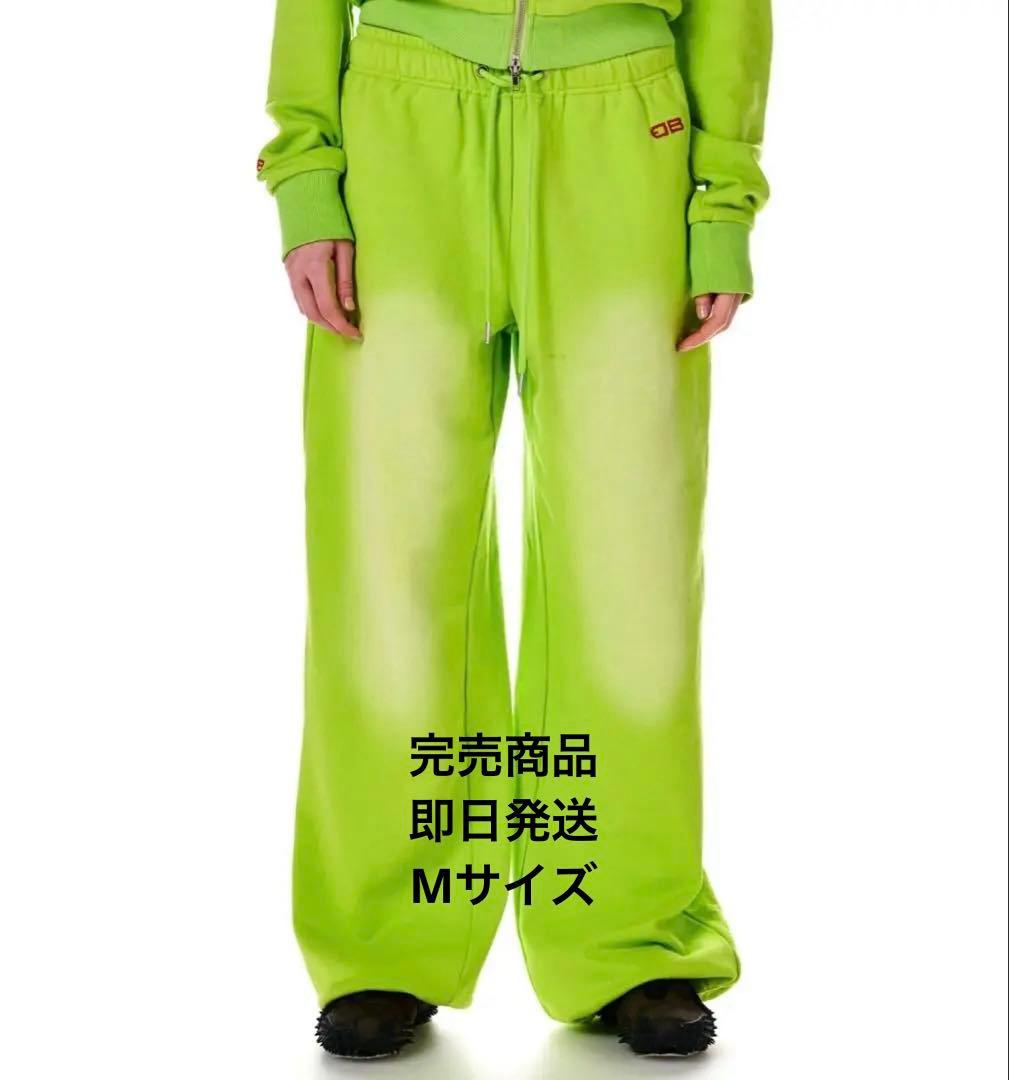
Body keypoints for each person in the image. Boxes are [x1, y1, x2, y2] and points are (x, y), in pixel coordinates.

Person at [258, 0, 770, 1059]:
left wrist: (720, 201)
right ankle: (386, 942)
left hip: (626, 142)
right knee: (386, 568)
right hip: (403, 131)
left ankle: (631, 940)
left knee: (631, 579)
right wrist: (308, 176)